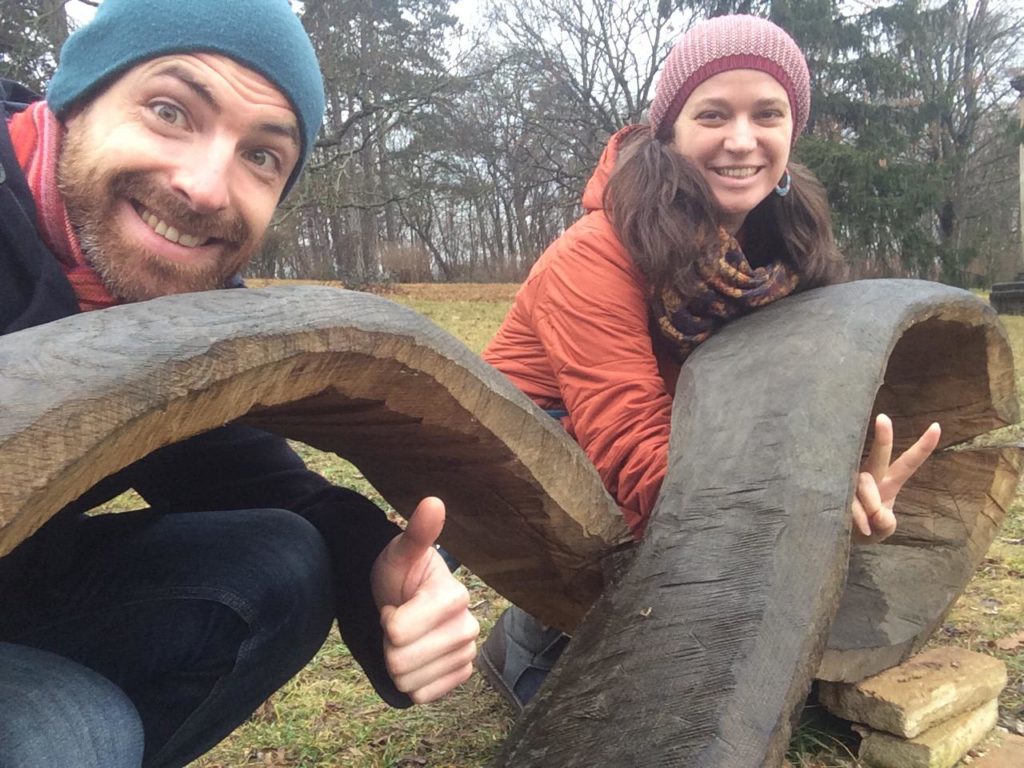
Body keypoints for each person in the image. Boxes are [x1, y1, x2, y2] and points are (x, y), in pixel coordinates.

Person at [0, 1, 479, 766]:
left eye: (262, 156)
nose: (204, 187)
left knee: (280, 560)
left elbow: (258, 484)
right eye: (169, 110)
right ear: (76, 95)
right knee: (72, 728)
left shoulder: (169, 302)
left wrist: (385, 573)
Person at [477, 14, 941, 711]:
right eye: (714, 114)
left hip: (684, 433)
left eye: (769, 114)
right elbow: (632, 456)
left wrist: (840, 490)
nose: (742, 140)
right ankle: (535, 634)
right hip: (542, 451)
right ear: (670, 133)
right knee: (608, 512)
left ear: (792, 130)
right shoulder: (592, 254)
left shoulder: (781, 249)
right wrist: (798, 515)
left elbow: (796, 410)